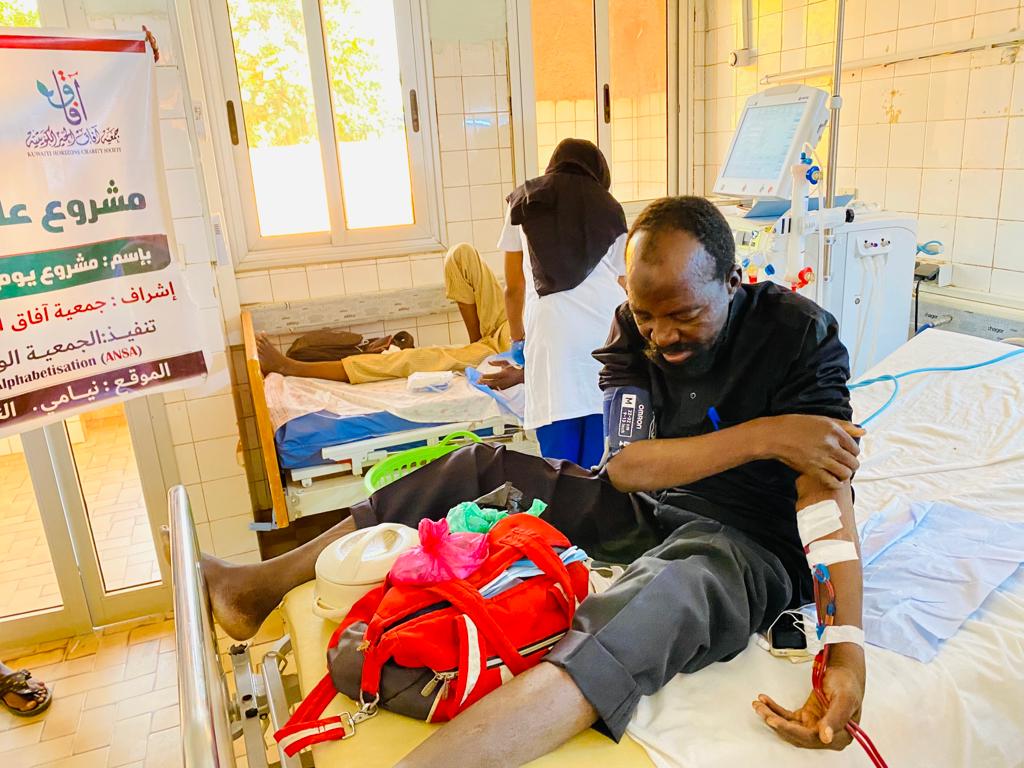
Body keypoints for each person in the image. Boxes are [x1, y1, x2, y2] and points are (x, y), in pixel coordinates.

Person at [203, 196, 865, 766]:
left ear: (733, 282)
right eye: (647, 315)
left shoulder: (798, 337)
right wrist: (767, 434)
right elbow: (628, 467)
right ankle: (255, 588)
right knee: (479, 467)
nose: (663, 335)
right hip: (650, 504)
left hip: (748, 543)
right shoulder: (634, 329)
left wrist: (845, 654)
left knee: (661, 590)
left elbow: (825, 497)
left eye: (684, 315)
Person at [498, 138, 628, 467]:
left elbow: (514, 287)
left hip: (551, 336)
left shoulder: (522, 201)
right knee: (601, 457)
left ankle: (563, 499)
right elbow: (623, 282)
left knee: (558, 463)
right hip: (606, 333)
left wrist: (518, 341)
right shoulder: (611, 208)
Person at [257, 242, 523, 388]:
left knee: (408, 358)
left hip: (508, 346)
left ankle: (290, 367)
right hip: (509, 325)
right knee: (461, 254)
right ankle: (476, 344)